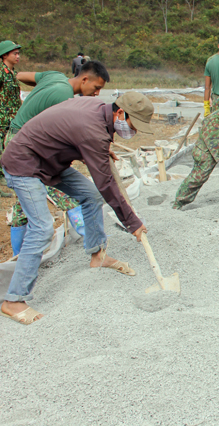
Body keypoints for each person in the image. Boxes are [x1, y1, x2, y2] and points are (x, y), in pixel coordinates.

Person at [0, 93, 153, 325]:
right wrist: (132, 222)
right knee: (42, 228)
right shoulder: (92, 131)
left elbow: (77, 135)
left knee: (90, 196)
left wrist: (100, 150)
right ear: (120, 113)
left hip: (50, 160)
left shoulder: (99, 108)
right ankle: (14, 300)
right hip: (24, 163)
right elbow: (106, 184)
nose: (134, 131)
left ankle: (97, 254)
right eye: (134, 124)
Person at [6, 61, 111, 253]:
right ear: (85, 79)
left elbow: (20, 76)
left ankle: (17, 254)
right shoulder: (64, 97)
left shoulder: (54, 77)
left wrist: (39, 95)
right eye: (96, 88)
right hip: (26, 148)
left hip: (13, 138)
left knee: (22, 203)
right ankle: (87, 236)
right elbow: (62, 137)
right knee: (64, 189)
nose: (97, 94)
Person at [0, 40, 22, 158]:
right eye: (15, 54)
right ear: (4, 55)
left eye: (18, 53)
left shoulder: (13, 73)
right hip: (2, 120)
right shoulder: (1, 72)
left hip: (13, 119)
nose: (18, 56)